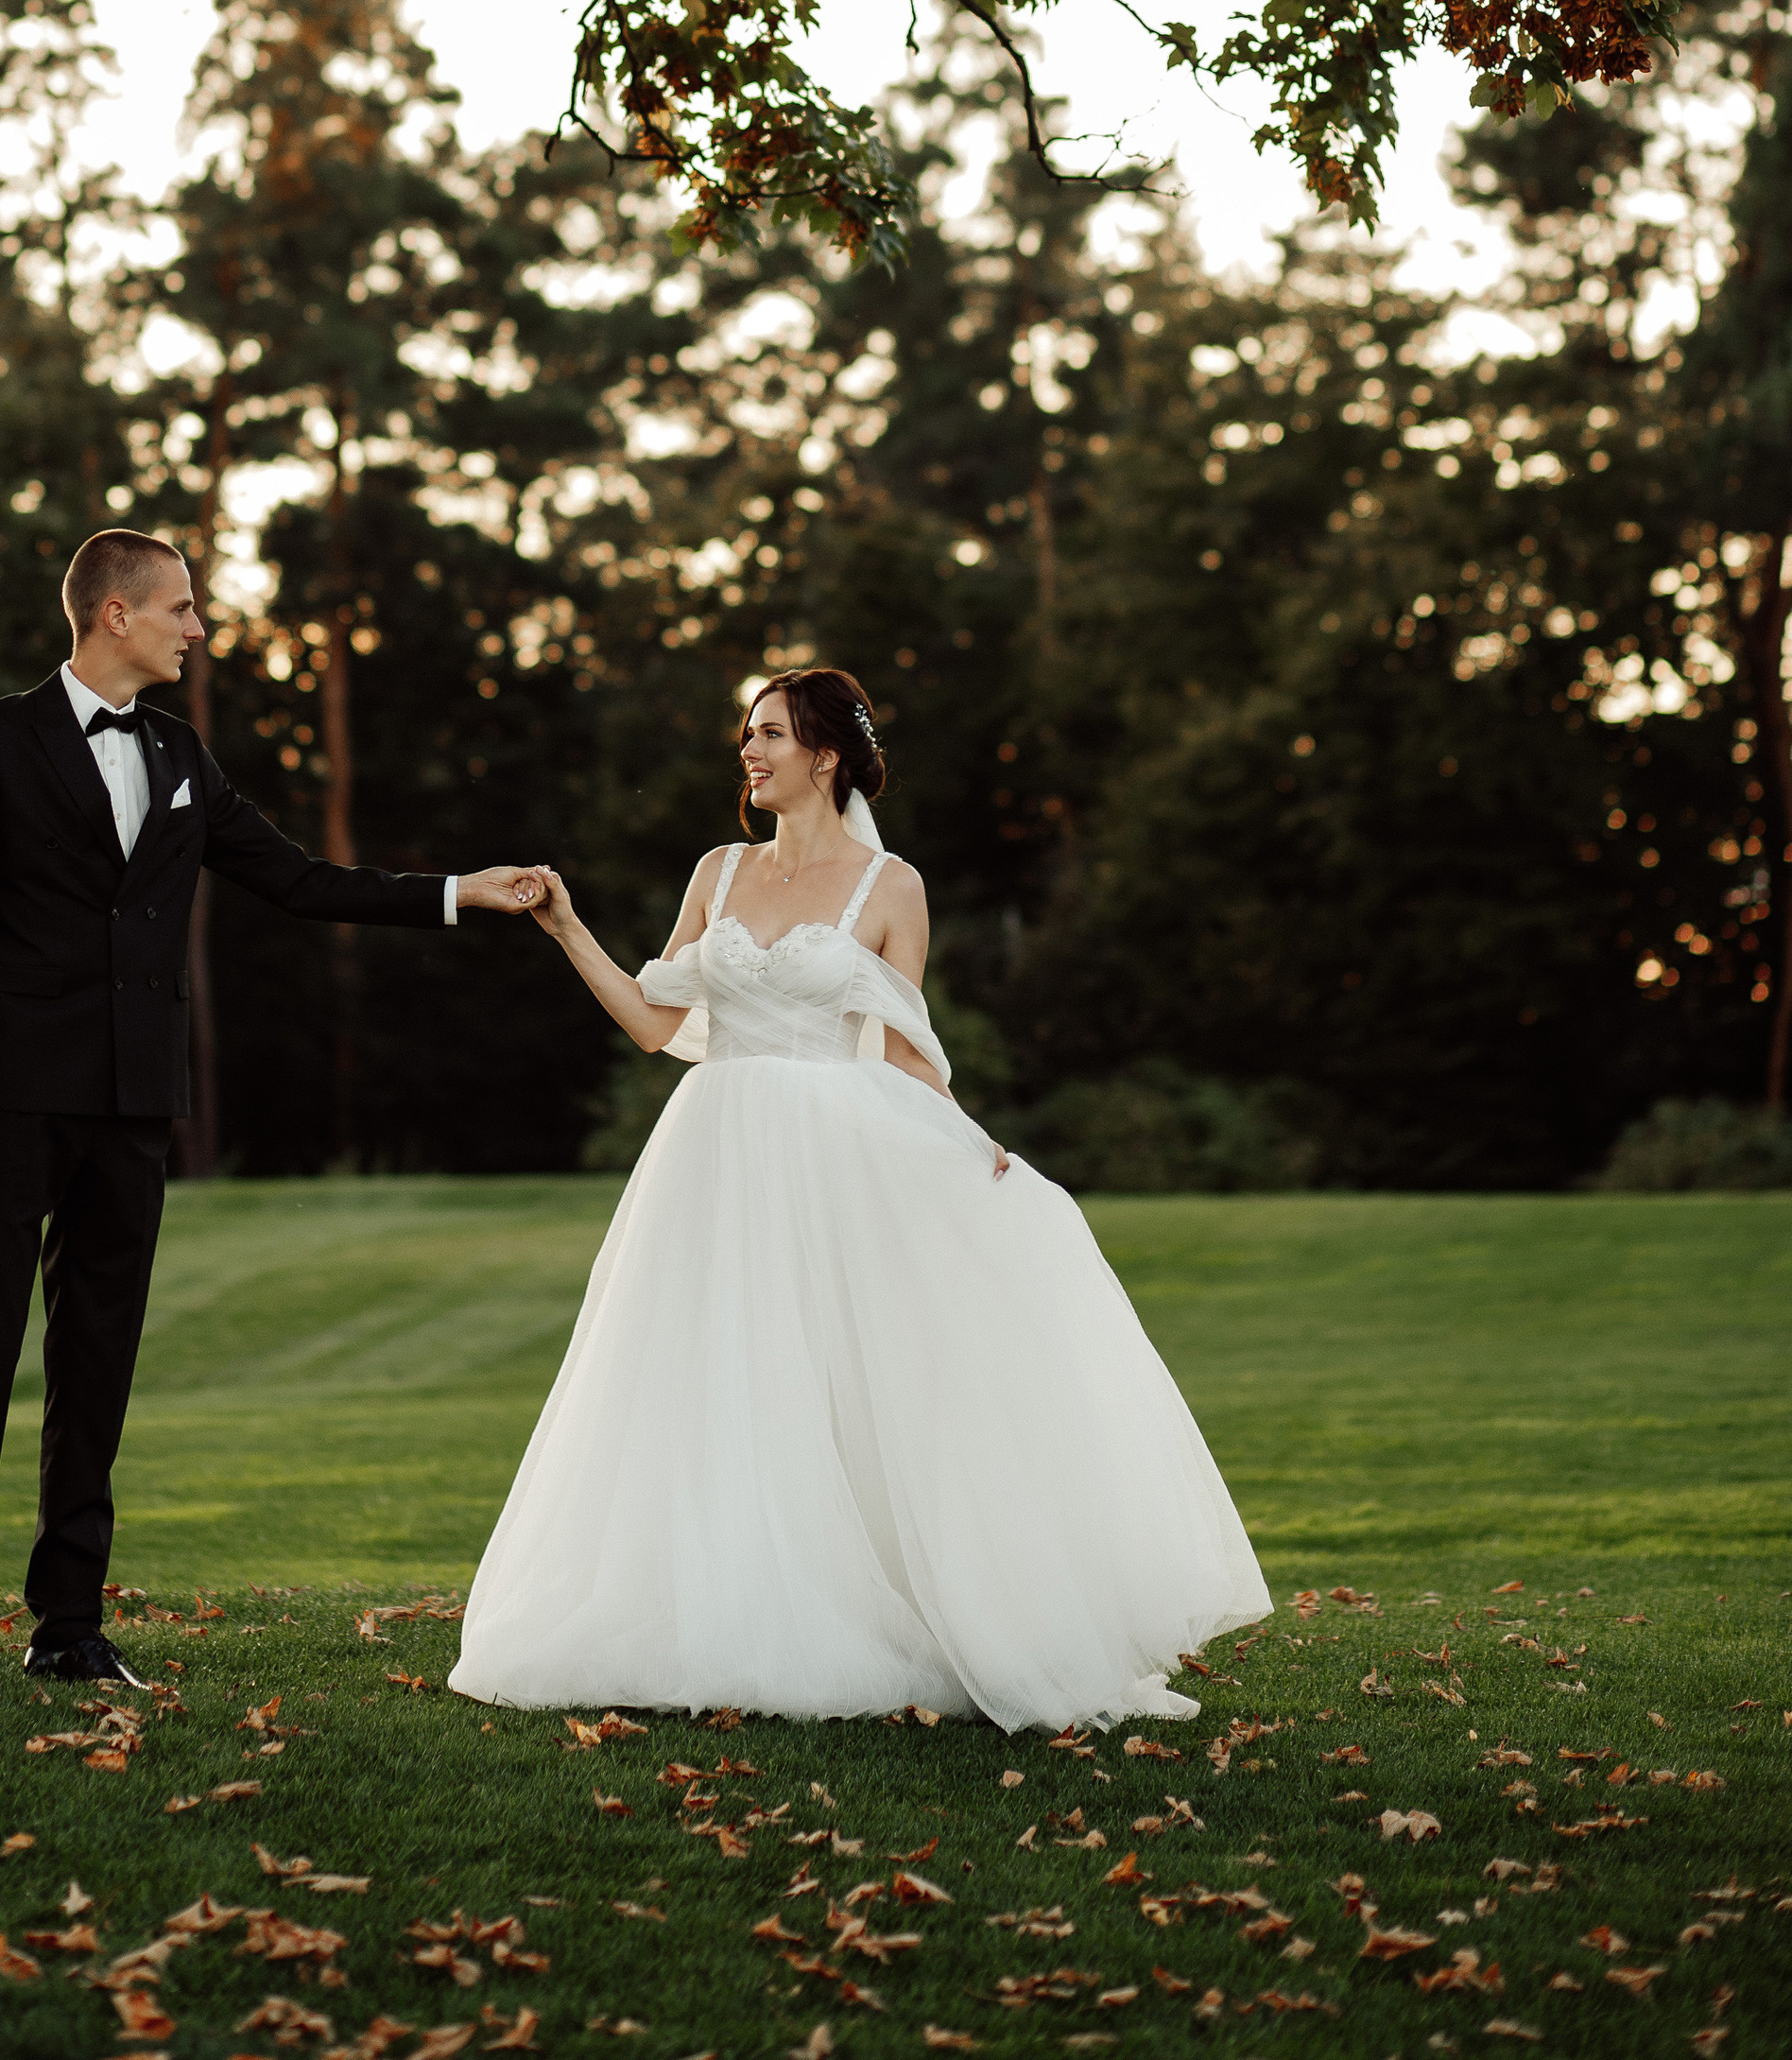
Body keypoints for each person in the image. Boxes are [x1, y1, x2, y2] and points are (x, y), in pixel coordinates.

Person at [449, 666, 1270, 1726]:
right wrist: (564, 927)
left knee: (837, 1380)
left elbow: (903, 1056)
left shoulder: (890, 888)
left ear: (825, 756)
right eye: (748, 734)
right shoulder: (718, 869)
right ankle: (710, 1613)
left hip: (834, 1158)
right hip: (712, 1152)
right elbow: (658, 1025)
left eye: (771, 735)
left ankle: (871, 1610)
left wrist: (971, 1149)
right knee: (705, 1378)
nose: (749, 752)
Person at [0, 526, 543, 1691]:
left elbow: (297, 881)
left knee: (97, 1370)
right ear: (115, 617)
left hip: (138, 1109)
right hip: (9, 1104)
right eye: (182, 609)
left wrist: (455, 891)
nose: (198, 627)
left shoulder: (183, 753)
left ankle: (67, 1631)